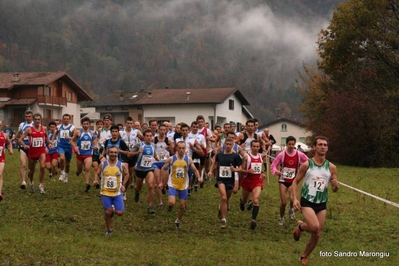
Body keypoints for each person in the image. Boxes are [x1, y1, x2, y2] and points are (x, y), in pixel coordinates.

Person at [291, 136, 339, 265]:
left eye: (325, 145)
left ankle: (303, 256)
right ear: (314, 147)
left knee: (317, 233)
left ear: (327, 148)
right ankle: (301, 226)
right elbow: (295, 182)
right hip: (307, 201)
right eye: (320, 145)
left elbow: (334, 189)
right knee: (314, 227)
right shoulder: (307, 165)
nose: (323, 147)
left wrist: (335, 185)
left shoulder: (331, 167)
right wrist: (295, 199)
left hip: (322, 203)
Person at [161, 141, 201, 229]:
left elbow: (195, 170)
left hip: (184, 185)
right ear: (176, 148)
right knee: (171, 202)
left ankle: (178, 220)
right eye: (180, 148)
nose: (181, 150)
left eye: (183, 148)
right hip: (172, 184)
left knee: (182, 206)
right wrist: (161, 181)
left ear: (185, 149)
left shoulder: (188, 159)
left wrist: (199, 177)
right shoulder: (171, 159)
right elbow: (163, 168)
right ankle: (170, 206)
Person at [271, 136, 308, 225]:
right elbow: (273, 165)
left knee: (292, 199)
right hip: (283, 180)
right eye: (289, 144)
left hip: (293, 181)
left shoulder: (299, 154)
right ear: (286, 144)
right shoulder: (282, 154)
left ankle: (291, 209)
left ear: (295, 144)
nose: (291, 146)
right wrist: (276, 172)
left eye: (293, 144)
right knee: (284, 202)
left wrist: (304, 169)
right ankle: (281, 218)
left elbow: (308, 162)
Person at [94, 145, 129, 236]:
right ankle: (109, 230)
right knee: (107, 211)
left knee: (120, 213)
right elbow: (97, 173)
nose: (113, 154)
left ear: (117, 154)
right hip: (105, 192)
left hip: (117, 193)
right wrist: (95, 180)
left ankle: (113, 210)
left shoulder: (121, 165)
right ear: (108, 153)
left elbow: (127, 175)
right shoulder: (103, 164)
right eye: (111, 152)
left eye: (115, 152)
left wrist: (124, 185)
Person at [207, 138, 242, 229]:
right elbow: (214, 163)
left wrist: (235, 169)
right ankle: (223, 219)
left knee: (226, 200)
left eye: (230, 144)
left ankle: (221, 208)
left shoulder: (236, 156)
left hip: (230, 180)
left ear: (233, 145)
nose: (228, 146)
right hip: (221, 179)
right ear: (224, 145)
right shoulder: (219, 155)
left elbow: (241, 167)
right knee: (223, 197)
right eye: (227, 144)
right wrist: (211, 171)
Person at [18, 113, 52, 194]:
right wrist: (24, 145)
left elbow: (46, 137)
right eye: (35, 119)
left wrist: (49, 142)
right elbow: (20, 139)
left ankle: (41, 185)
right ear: (33, 120)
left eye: (38, 119)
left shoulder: (43, 128)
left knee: (43, 166)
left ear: (40, 120)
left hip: (41, 151)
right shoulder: (29, 130)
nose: (37, 121)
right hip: (32, 152)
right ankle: (31, 183)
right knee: (32, 170)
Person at [239, 139, 265, 230]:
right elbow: (241, 170)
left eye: (257, 147)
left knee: (256, 200)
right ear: (251, 147)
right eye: (254, 146)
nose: (256, 148)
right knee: (244, 200)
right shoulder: (246, 157)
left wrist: (262, 173)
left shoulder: (261, 156)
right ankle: (242, 202)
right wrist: (247, 171)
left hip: (257, 181)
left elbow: (260, 169)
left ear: (259, 147)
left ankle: (253, 220)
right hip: (247, 181)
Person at [134, 129, 159, 214]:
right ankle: (137, 193)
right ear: (144, 137)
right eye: (147, 136)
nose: (149, 138)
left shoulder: (153, 145)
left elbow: (154, 155)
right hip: (140, 169)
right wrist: (138, 152)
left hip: (149, 169)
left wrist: (159, 159)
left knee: (151, 186)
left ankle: (150, 206)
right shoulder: (139, 145)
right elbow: (130, 154)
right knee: (138, 187)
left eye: (150, 136)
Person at [71, 117, 98, 192]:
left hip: (88, 154)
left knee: (87, 168)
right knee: (79, 170)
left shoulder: (91, 133)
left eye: (87, 124)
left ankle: (87, 184)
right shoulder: (78, 132)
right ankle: (78, 172)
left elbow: (94, 141)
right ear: (82, 125)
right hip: (80, 154)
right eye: (84, 124)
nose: (85, 125)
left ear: (89, 125)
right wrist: (75, 147)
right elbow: (71, 141)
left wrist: (95, 145)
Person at [153, 123, 173, 209]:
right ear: (158, 130)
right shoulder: (154, 140)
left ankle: (164, 187)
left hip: (165, 163)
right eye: (161, 130)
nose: (162, 131)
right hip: (156, 163)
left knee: (164, 184)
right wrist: (155, 156)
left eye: (164, 130)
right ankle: (160, 202)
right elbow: (150, 149)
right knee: (158, 183)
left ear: (166, 131)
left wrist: (170, 149)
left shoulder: (168, 140)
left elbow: (173, 151)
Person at [13, 110, 34, 189]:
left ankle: (30, 174)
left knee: (31, 167)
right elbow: (19, 132)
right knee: (23, 164)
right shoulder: (22, 124)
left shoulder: (34, 125)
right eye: (26, 117)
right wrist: (14, 138)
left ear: (32, 117)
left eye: (29, 117)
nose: (28, 118)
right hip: (23, 146)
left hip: (32, 147)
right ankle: (23, 181)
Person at [56, 113, 75, 183]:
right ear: (62, 119)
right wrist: (52, 141)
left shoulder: (72, 127)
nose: (66, 120)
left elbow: (76, 135)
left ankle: (66, 175)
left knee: (68, 164)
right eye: (64, 119)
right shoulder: (59, 127)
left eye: (67, 119)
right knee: (61, 158)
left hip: (68, 147)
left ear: (69, 120)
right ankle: (62, 173)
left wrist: (70, 137)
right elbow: (55, 133)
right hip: (61, 146)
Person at [0, 120, 13, 201]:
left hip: (1, 158)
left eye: (0, 125)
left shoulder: (4, 135)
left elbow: (9, 143)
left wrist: (10, 149)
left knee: (0, 174)